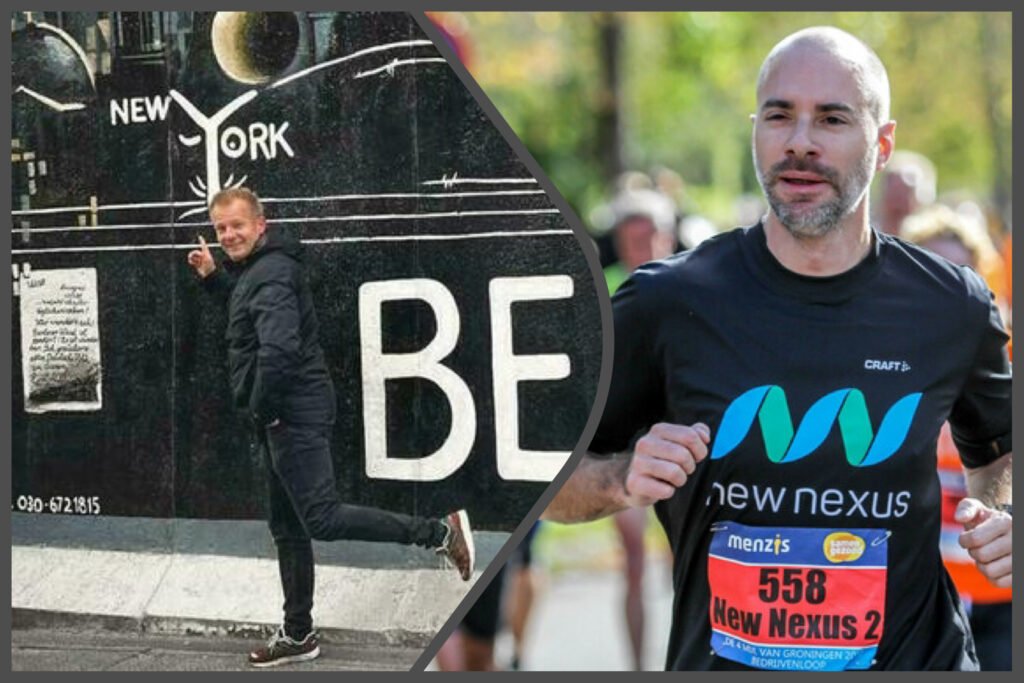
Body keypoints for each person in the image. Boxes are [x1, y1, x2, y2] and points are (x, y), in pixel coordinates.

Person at [544, 27, 1011, 671]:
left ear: (882, 142)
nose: (800, 141)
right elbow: (541, 476)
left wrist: (1002, 513)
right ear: (756, 132)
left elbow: (1000, 447)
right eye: (779, 115)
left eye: (833, 118)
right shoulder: (670, 303)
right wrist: (619, 478)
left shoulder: (950, 306)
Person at [187, 187, 475, 668]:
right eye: (221, 228)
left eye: (237, 225)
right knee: (288, 526)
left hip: (289, 412)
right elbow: (249, 315)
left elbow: (277, 351)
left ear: (262, 225)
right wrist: (214, 279)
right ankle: (299, 634)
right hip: (286, 411)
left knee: (319, 518)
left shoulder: (271, 274)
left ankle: (439, 533)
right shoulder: (260, 272)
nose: (229, 235)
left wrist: (263, 409)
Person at [901, 205, 1012, 671]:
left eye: (960, 272)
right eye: (931, 270)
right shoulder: (876, 360)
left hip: (1001, 594)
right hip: (915, 598)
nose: (944, 289)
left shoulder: (1005, 356)